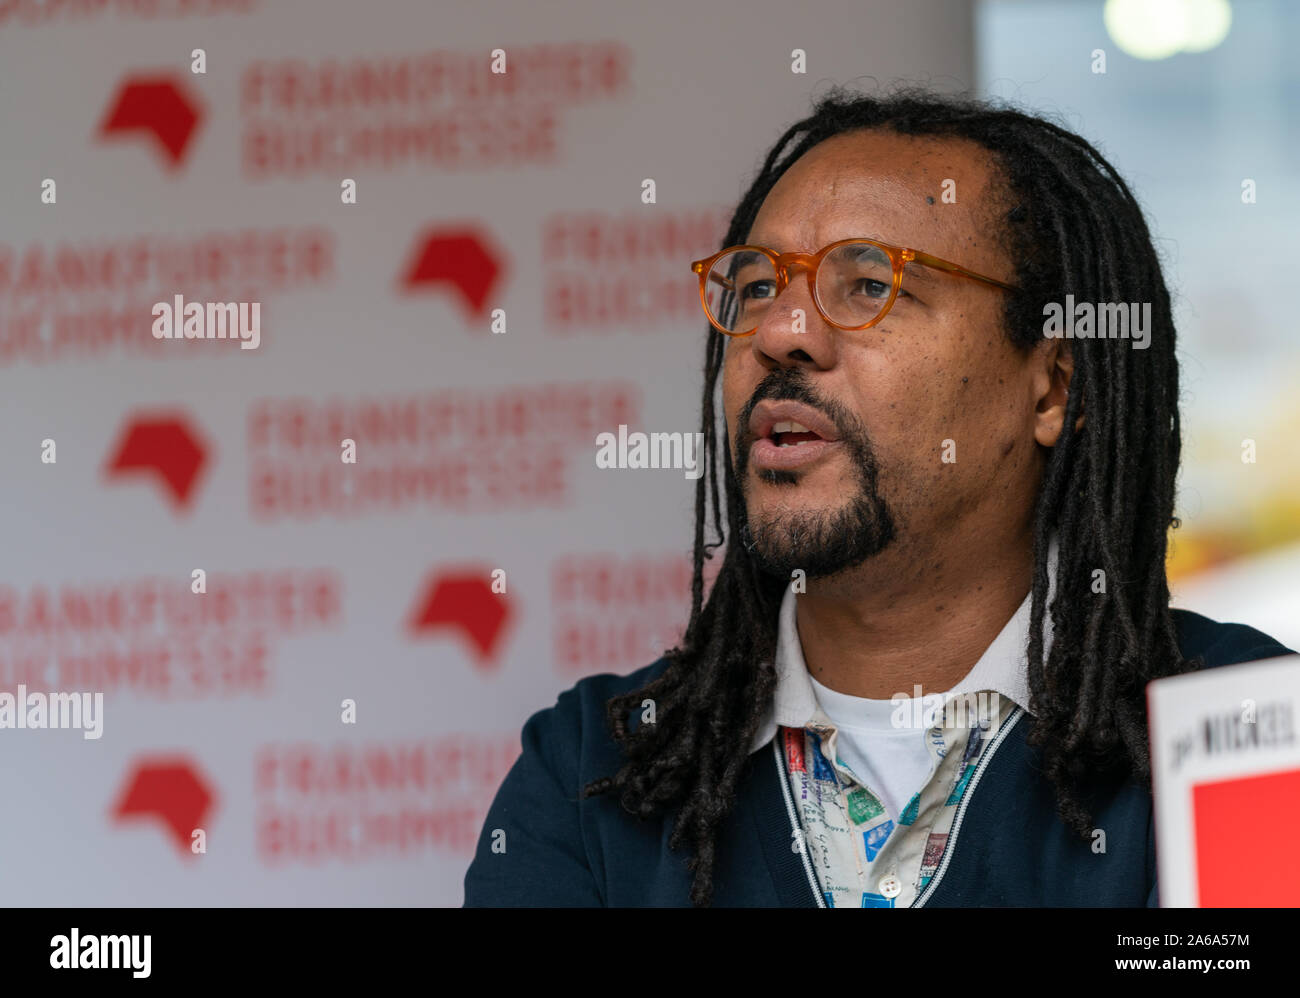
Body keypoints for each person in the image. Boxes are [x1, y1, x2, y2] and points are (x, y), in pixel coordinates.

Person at [463, 85, 1293, 907]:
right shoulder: (592, 772)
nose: (781, 333)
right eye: (756, 287)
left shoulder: (1246, 735)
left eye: (869, 285)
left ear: (1050, 391)